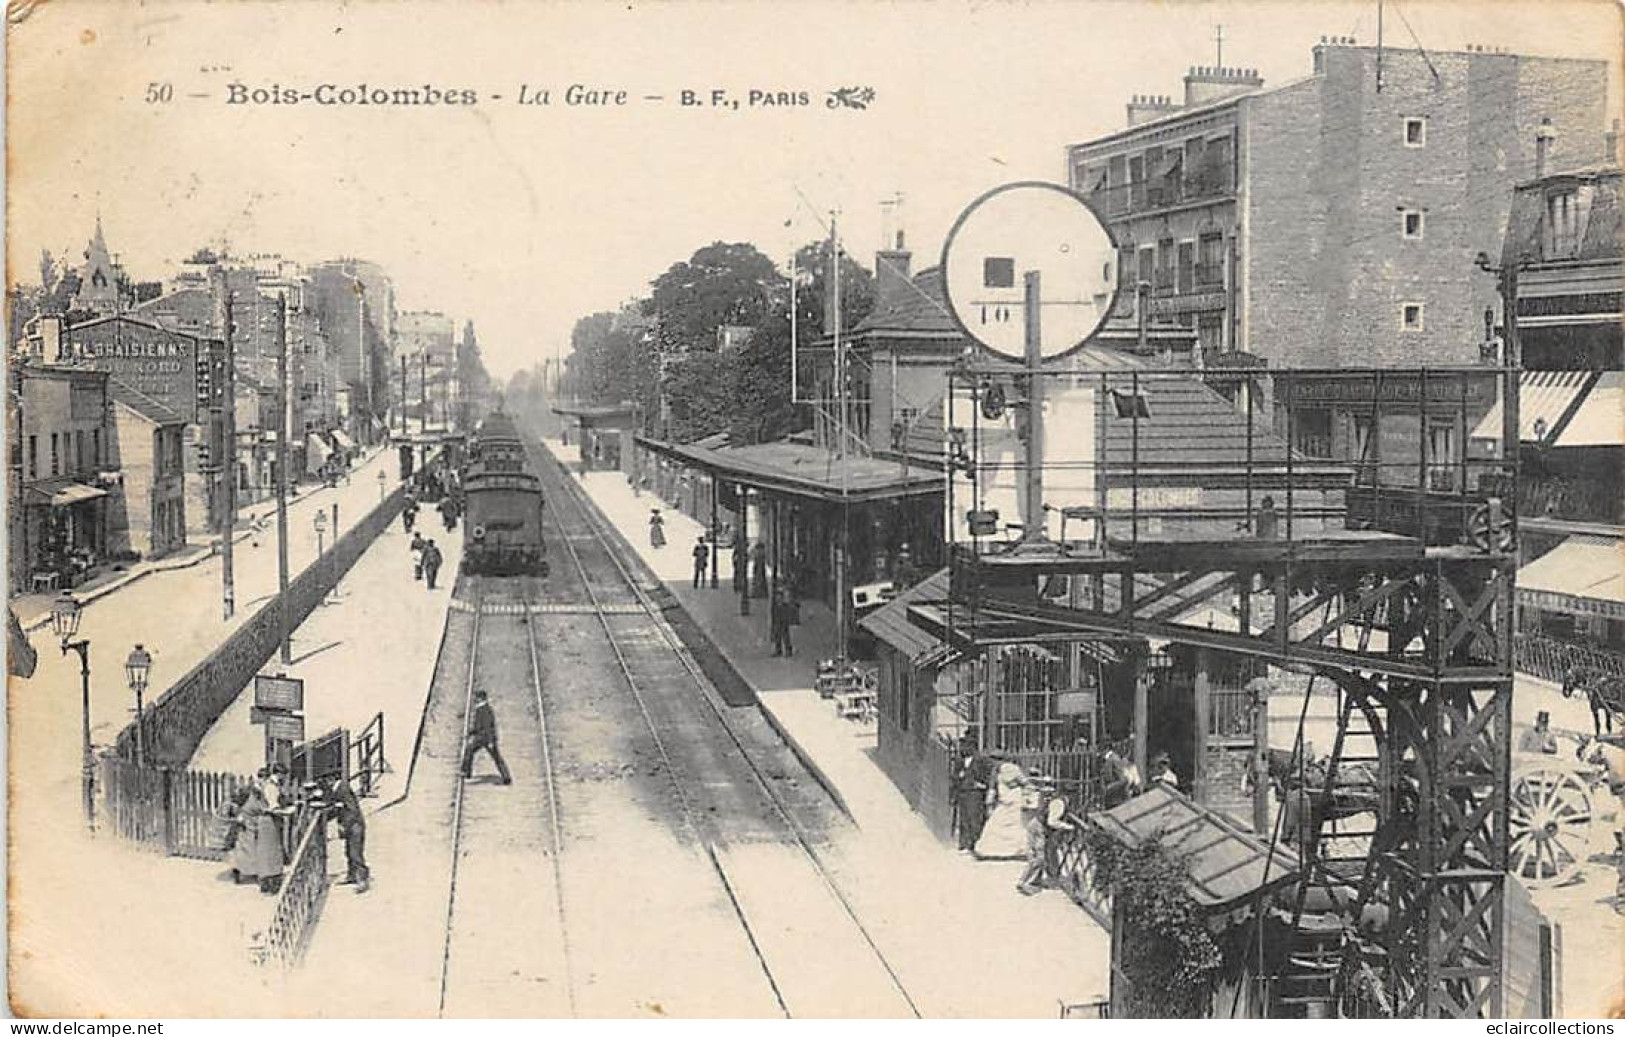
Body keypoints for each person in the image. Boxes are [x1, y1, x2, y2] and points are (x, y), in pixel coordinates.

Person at [976, 759, 1029, 859]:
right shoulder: (999, 771)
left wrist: (989, 803)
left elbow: (1024, 782)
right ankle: (1003, 850)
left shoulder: (1005, 770)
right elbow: (993, 787)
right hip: (1008, 801)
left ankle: (1013, 850)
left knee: (1010, 825)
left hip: (1012, 801)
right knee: (999, 824)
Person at [327, 776, 370, 893]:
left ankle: (363, 880)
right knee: (349, 851)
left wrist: (344, 825)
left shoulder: (342, 789)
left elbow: (352, 809)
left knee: (355, 853)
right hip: (351, 825)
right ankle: (352, 875)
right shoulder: (339, 789)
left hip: (355, 825)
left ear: (330, 780)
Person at [1017, 776, 1057, 895]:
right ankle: (1027, 882)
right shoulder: (1041, 797)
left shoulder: (1041, 796)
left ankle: (1031, 880)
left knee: (1037, 855)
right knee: (1039, 857)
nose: (1048, 789)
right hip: (1038, 826)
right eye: (1046, 786)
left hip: (1035, 825)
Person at [463, 689, 513, 784]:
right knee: (469, 750)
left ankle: (506, 777)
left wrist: (490, 741)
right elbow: (478, 725)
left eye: (476, 698)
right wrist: (471, 733)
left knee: (496, 757)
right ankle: (466, 772)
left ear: (481, 698)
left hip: (486, 738)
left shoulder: (485, 710)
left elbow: (487, 726)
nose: (474, 700)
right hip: (481, 737)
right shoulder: (481, 709)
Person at [769, 587, 795, 657]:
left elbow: (786, 612)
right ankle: (779, 650)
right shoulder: (776, 605)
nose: (777, 598)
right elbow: (773, 612)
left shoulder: (784, 605)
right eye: (777, 596)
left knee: (785, 635)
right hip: (778, 620)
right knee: (777, 634)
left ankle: (788, 650)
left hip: (783, 620)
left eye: (779, 596)